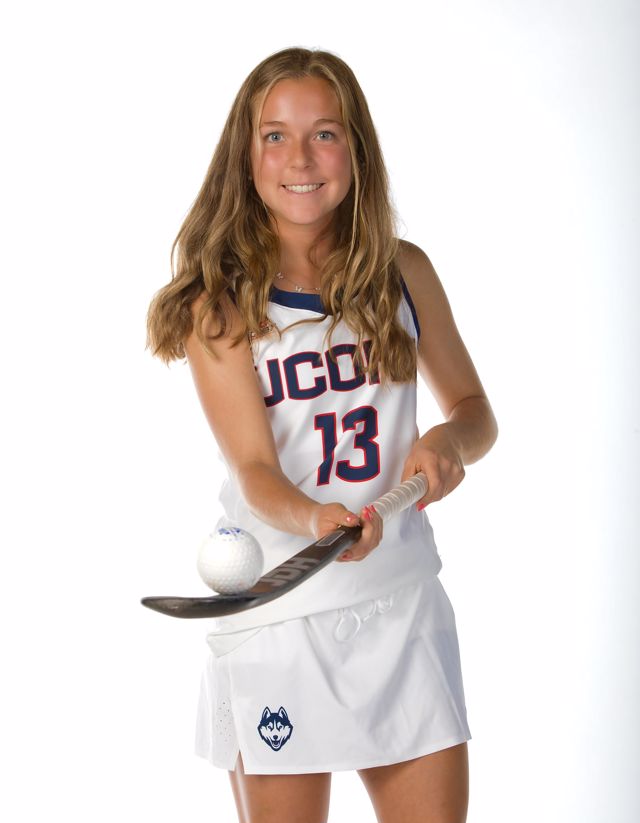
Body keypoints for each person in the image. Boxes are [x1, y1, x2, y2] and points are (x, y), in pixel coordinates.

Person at [146, 46, 497, 823]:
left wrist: (449, 442)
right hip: (282, 615)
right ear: (245, 156)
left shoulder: (405, 272)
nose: (300, 159)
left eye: (324, 134)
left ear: (356, 149)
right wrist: (318, 520)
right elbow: (253, 468)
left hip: (401, 603)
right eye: (275, 136)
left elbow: (476, 410)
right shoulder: (220, 305)